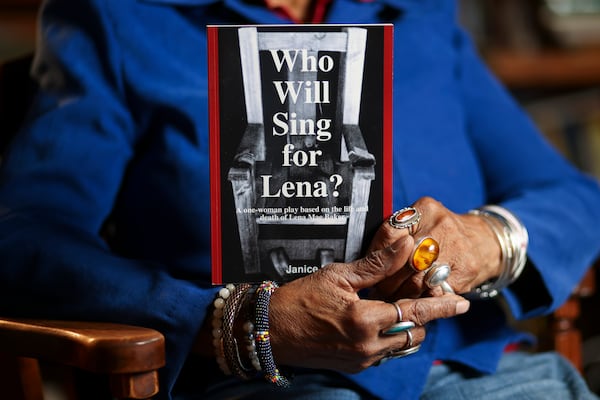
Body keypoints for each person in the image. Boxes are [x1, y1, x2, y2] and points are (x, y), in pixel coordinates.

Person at [1, 0, 599, 399]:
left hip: (483, 374)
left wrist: (489, 239)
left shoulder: (420, 14)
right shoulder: (120, 18)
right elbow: (26, 235)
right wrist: (229, 322)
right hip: (261, 387)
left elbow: (574, 195)